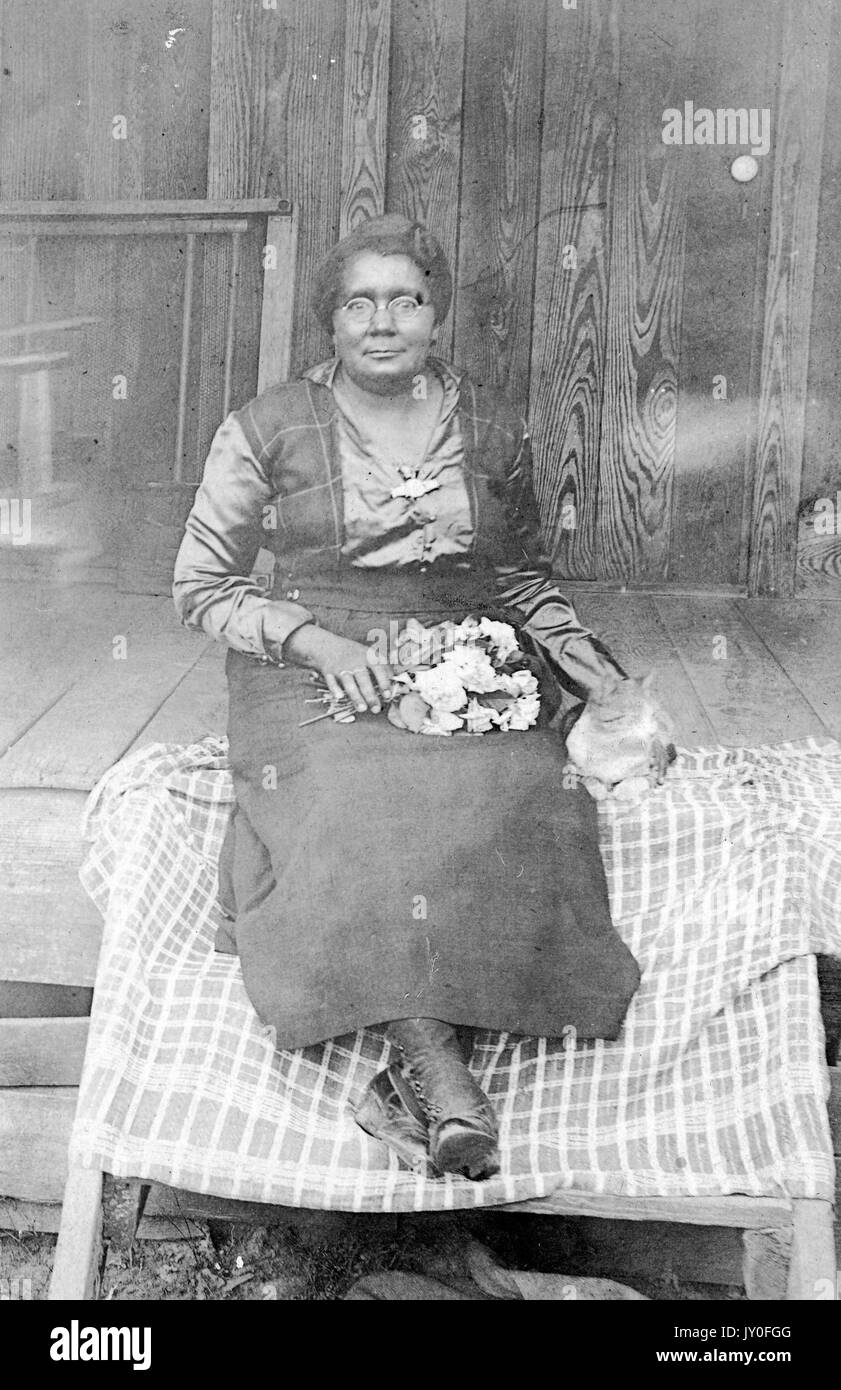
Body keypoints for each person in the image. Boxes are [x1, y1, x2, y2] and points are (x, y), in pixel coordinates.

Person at [173, 214, 661, 1180]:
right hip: (310, 660)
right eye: (360, 301)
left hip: (467, 646)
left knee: (523, 794)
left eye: (406, 299)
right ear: (331, 320)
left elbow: (520, 578)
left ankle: (411, 1086)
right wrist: (312, 641)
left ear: (436, 317)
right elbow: (202, 587)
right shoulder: (263, 428)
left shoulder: (487, 426)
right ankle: (443, 1080)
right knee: (357, 797)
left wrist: (591, 672)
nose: (383, 321)